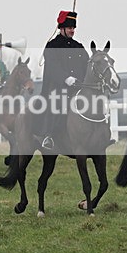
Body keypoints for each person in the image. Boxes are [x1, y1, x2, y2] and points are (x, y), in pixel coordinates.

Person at [35, 10, 89, 150]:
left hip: (78, 88)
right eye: (70, 28)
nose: (72, 31)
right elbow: (52, 68)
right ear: (62, 28)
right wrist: (67, 79)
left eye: (73, 28)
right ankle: (49, 135)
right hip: (58, 87)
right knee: (60, 103)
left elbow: (87, 65)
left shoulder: (79, 46)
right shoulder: (52, 46)